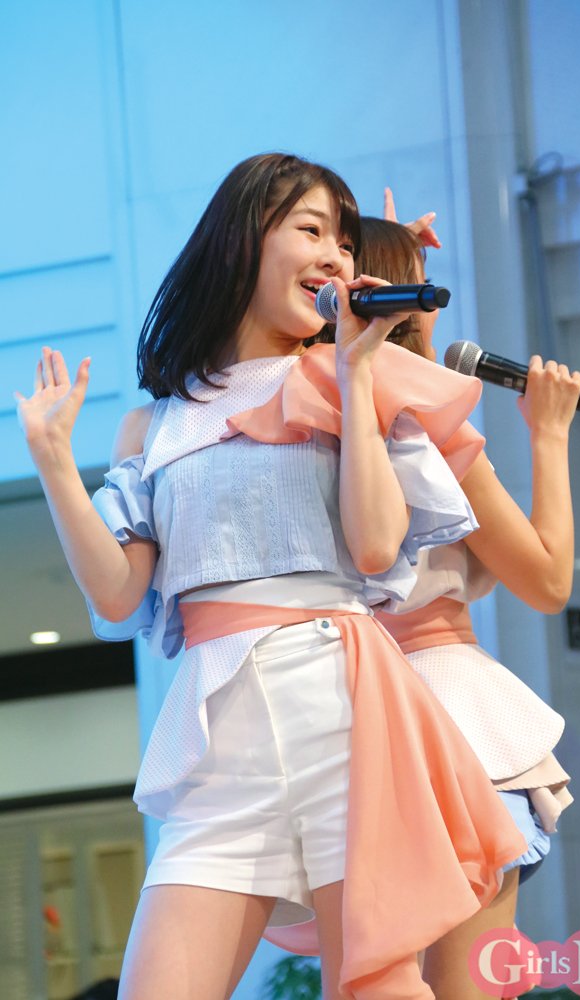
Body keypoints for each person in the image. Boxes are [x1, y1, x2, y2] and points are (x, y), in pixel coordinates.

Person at [15, 153, 528, 1000]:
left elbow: (375, 548)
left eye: (344, 241)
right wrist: (53, 464)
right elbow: (116, 595)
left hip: (343, 719)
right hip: (218, 746)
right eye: (311, 229)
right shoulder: (156, 423)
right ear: (242, 240)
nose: (334, 256)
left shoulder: (351, 379)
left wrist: (356, 372)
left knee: (377, 985)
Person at [341, 209, 580, 999]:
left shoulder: (307, 414)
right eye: (422, 285)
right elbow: (546, 581)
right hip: (449, 711)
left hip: (344, 715)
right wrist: (548, 434)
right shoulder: (426, 427)